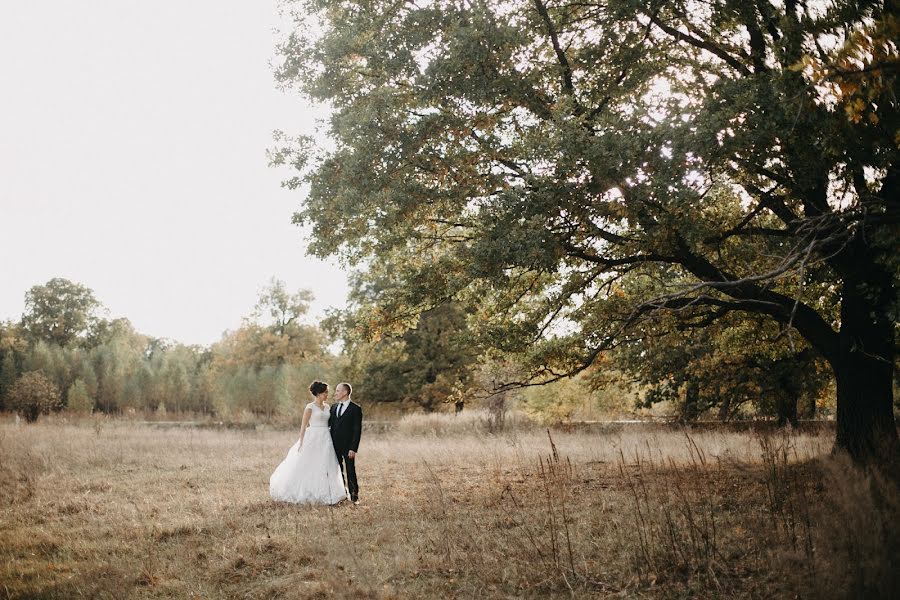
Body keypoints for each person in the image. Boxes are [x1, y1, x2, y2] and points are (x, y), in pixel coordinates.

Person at [269, 381, 348, 505]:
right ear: (318, 393)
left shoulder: (328, 407)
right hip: (313, 437)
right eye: (325, 392)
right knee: (310, 464)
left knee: (326, 464)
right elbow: (303, 426)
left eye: (327, 392)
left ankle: (329, 492)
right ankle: (306, 491)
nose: (327, 394)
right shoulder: (310, 407)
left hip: (326, 438)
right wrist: (302, 441)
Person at [329, 382, 362, 504]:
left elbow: (357, 430)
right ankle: (342, 494)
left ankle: (354, 497)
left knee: (350, 470)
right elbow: (329, 426)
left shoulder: (355, 409)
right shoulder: (333, 408)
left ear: (345, 392)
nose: (335, 393)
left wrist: (353, 448)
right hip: (334, 446)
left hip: (348, 447)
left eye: (337, 391)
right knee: (337, 471)